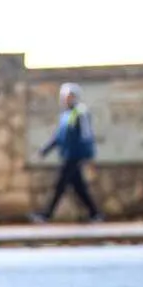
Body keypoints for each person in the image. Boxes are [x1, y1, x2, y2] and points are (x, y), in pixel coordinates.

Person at [31, 83, 103, 223]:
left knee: (60, 185)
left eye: (69, 96)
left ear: (75, 97)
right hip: (67, 155)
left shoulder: (80, 113)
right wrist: (44, 151)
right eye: (64, 96)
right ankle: (95, 213)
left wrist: (87, 155)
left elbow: (86, 135)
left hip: (74, 156)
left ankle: (46, 215)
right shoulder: (66, 115)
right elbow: (59, 137)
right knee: (79, 188)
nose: (65, 99)